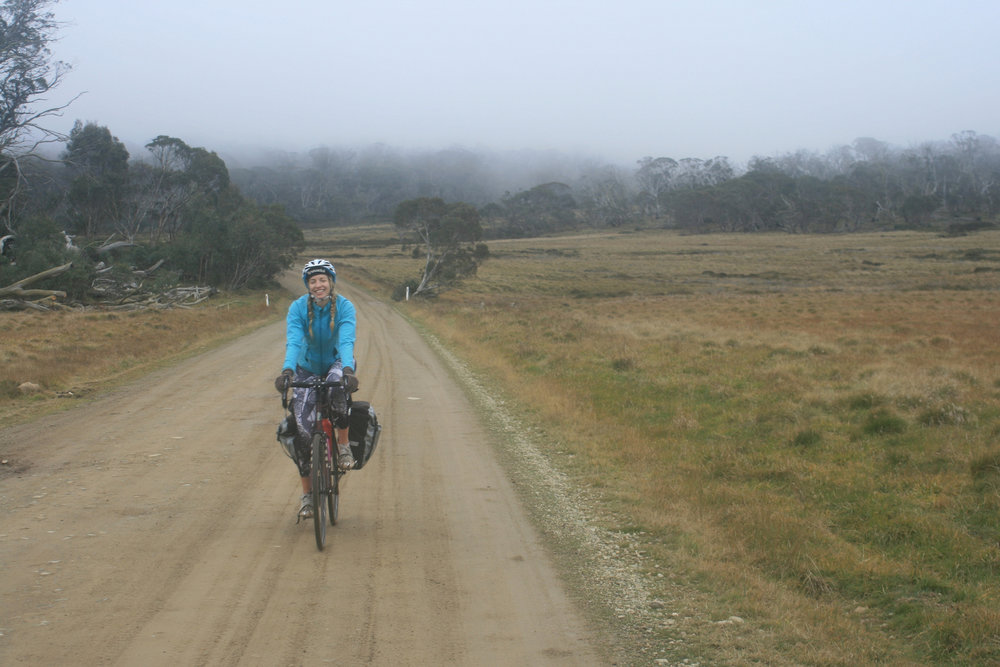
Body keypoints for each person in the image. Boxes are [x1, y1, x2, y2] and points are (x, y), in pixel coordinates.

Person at [274, 259, 361, 519]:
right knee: (302, 430)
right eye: (313, 281)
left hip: (336, 362)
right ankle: (308, 497)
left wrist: (347, 370)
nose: (318, 285)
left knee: (338, 392)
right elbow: (294, 340)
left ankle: (343, 446)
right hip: (306, 366)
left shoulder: (345, 306)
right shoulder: (298, 308)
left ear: (330, 282)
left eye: (322, 279)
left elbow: (346, 340)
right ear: (308, 286)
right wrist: (287, 371)